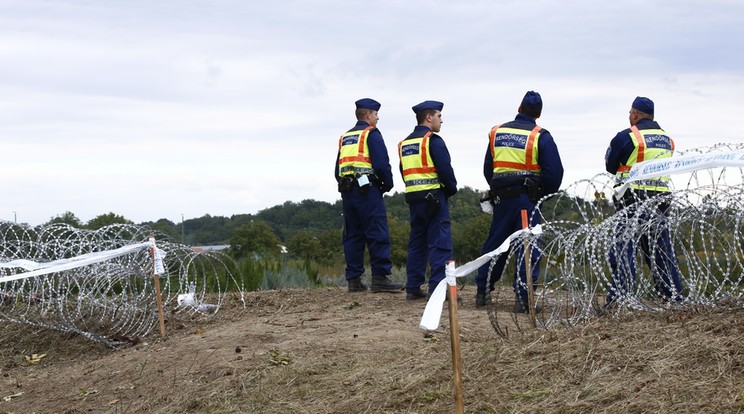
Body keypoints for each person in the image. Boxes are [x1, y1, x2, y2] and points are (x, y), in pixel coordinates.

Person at [475, 91, 564, 313]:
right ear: (538, 113)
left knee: (496, 245)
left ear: (519, 107)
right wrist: (542, 194)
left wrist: (499, 187)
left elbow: (489, 168)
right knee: (528, 246)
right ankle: (523, 298)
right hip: (527, 200)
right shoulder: (540, 135)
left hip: (503, 198)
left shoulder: (497, 132)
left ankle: (482, 291)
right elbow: (554, 173)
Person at [604, 96, 684, 305]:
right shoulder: (667, 139)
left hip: (633, 198)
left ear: (635, 114)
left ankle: (620, 297)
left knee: (623, 248)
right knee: (660, 249)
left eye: (630, 113)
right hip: (660, 199)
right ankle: (673, 296)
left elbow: (611, 165)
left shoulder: (627, 137)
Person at [335, 98, 403, 293]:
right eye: (376, 114)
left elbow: (336, 169)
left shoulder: (345, 137)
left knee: (352, 235)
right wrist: (386, 185)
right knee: (377, 231)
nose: (378, 118)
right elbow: (382, 163)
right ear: (368, 115)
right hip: (367, 190)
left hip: (347, 191)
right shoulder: (371, 134)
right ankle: (380, 278)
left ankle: (354, 280)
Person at [398, 100, 458, 301]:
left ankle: (413, 288)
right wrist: (451, 190)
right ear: (429, 117)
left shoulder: (405, 144)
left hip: (414, 199)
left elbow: (403, 171)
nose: (442, 120)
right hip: (435, 198)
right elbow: (445, 171)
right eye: (439, 116)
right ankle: (439, 290)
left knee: (417, 243)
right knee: (440, 244)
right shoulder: (433, 141)